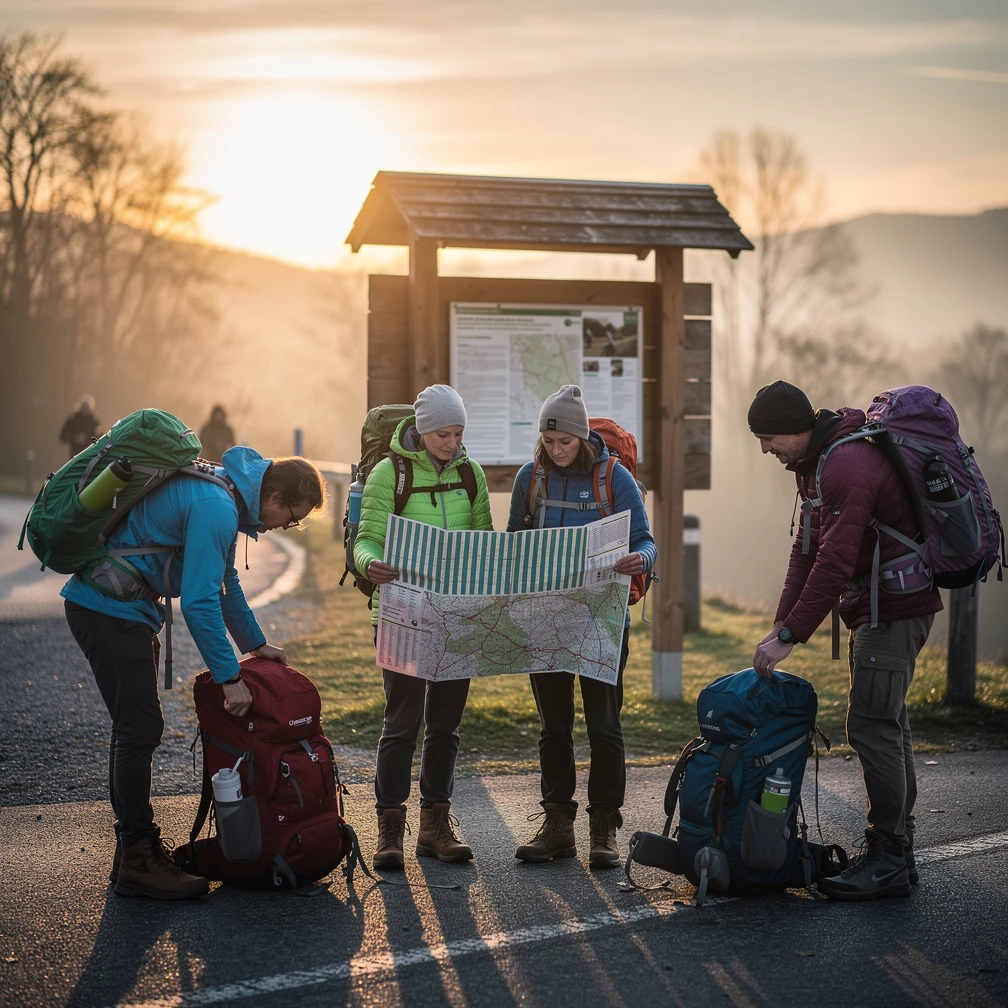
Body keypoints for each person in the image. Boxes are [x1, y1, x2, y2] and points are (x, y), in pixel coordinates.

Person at [62, 448, 326, 900]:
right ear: (273, 496)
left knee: (134, 728)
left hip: (124, 609)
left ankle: (131, 854)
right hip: (109, 610)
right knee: (139, 728)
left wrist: (255, 644)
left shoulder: (225, 497)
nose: (286, 526)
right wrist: (229, 679)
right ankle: (137, 858)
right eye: (291, 518)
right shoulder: (217, 507)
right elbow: (199, 602)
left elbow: (225, 583)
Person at [747, 380, 942, 901]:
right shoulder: (814, 465)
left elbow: (834, 560)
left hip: (893, 607)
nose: (764, 448)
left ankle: (888, 857)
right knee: (888, 723)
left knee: (872, 725)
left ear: (795, 429)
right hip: (878, 606)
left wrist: (792, 635)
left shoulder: (846, 466)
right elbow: (805, 551)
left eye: (767, 437)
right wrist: (780, 623)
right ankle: (899, 850)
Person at [507, 385, 656, 868]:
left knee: (604, 726)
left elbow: (646, 542)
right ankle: (557, 825)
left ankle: (604, 828)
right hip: (545, 620)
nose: (557, 450)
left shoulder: (614, 478)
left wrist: (639, 560)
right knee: (554, 727)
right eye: (549, 441)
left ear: (581, 435)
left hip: (603, 619)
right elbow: (514, 542)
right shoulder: (530, 478)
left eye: (565, 441)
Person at [353, 384, 493, 871]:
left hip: (456, 614)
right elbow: (366, 539)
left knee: (446, 725)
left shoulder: (471, 474)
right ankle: (390, 826)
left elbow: (483, 541)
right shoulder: (388, 474)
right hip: (402, 611)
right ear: (421, 429)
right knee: (402, 722)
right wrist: (370, 564)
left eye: (458, 434)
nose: (451, 444)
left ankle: (435, 825)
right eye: (442, 435)